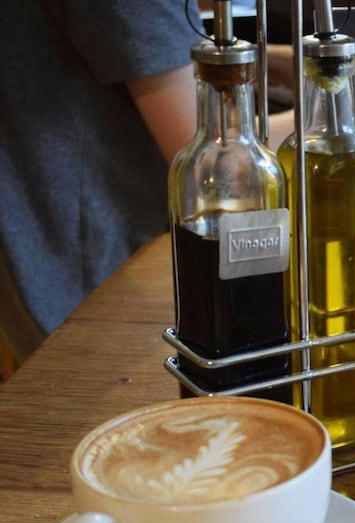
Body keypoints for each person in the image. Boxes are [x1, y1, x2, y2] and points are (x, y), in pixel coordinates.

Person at [0, 1, 294, 378]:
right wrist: (337, 97)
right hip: (101, 294)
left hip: (39, 270)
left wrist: (282, 63)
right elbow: (227, 165)